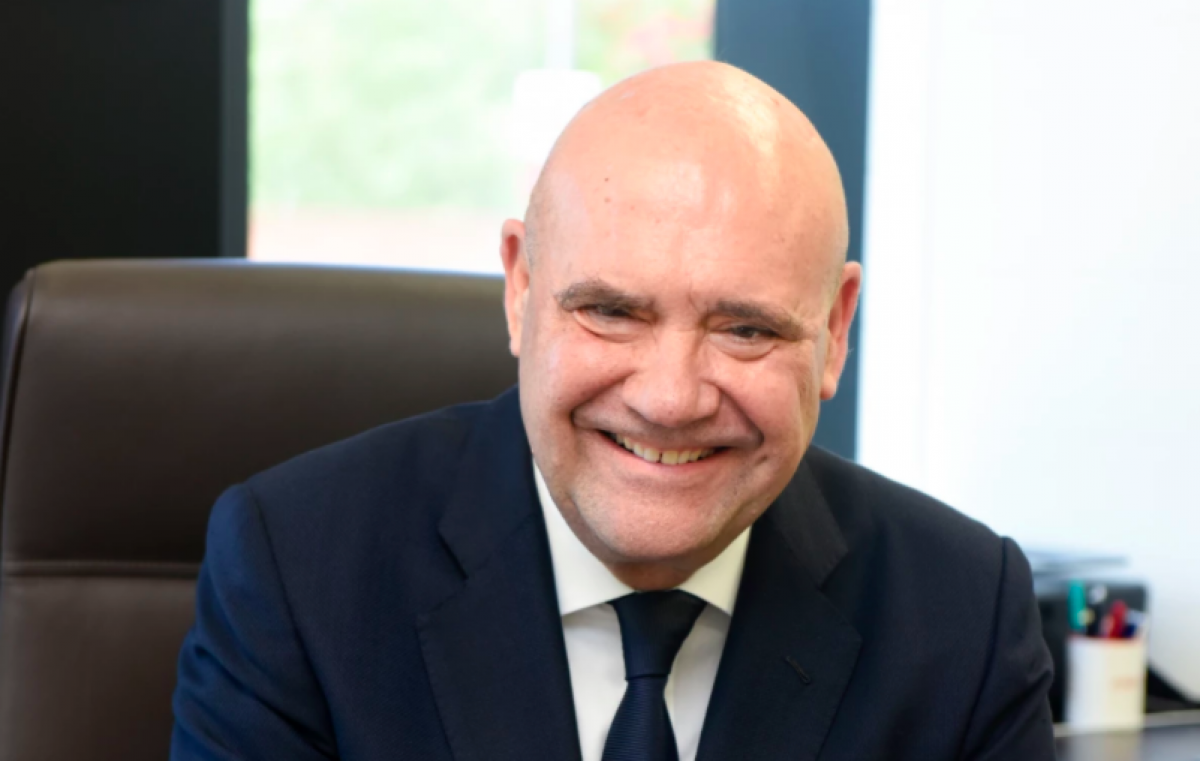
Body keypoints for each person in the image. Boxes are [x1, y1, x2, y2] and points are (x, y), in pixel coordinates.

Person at [170, 61, 1055, 760]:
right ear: (521, 286)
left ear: (833, 328)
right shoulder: (298, 572)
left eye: (746, 328)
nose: (669, 398)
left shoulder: (964, 621)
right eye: (612, 311)